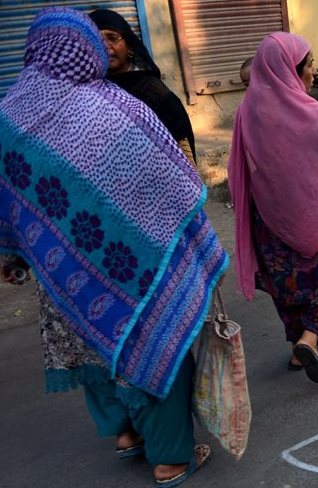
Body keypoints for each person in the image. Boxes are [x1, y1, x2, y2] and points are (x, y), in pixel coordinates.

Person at [0, 8, 227, 486]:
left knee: (89, 341)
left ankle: (125, 436)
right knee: (151, 341)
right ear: (83, 50)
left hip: (61, 269)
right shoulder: (115, 108)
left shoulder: (7, 118)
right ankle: (170, 458)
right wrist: (195, 247)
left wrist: (15, 255)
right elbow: (175, 185)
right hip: (137, 264)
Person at [228, 32, 318, 384]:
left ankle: (297, 347)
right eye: (310, 65)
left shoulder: (247, 111)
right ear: (292, 70)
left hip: (267, 220)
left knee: (288, 286)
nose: (314, 72)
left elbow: (243, 166)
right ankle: (310, 339)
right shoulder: (312, 113)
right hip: (313, 218)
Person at [88, 9, 197, 166]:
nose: (105, 46)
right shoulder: (88, 90)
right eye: (97, 40)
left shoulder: (151, 90)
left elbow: (181, 140)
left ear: (130, 48)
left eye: (112, 38)